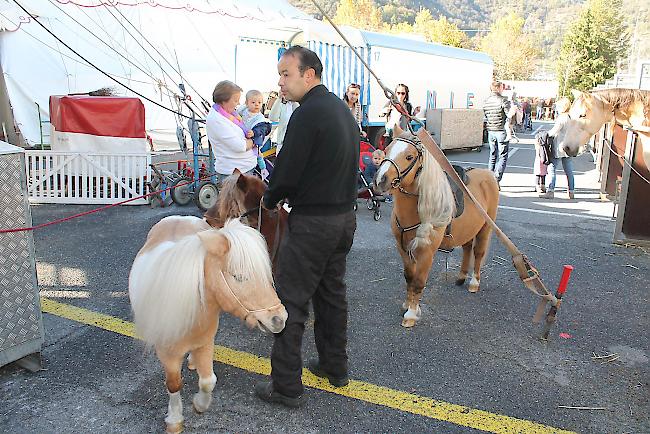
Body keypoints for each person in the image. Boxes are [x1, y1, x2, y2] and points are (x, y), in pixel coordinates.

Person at [255, 46, 359, 407]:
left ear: (308, 74)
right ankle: (335, 366)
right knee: (332, 295)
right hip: (343, 220)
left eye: (286, 74)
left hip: (313, 222)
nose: (280, 82)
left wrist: (269, 200)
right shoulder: (341, 111)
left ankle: (285, 387)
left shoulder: (306, 114)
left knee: (291, 302)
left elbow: (286, 172)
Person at [206, 80, 256, 185]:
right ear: (224, 100)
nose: (238, 103)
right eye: (235, 100)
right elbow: (240, 146)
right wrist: (254, 140)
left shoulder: (229, 115)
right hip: (234, 173)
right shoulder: (216, 120)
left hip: (243, 169)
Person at [540, 98, 575, 199]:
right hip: (568, 146)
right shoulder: (571, 117)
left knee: (552, 168)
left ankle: (551, 191)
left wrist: (545, 134)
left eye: (559, 106)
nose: (557, 108)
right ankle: (571, 191)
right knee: (569, 171)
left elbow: (553, 132)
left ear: (563, 107)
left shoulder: (562, 118)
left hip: (559, 146)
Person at [237, 89, 271, 179]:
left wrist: (254, 132)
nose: (256, 104)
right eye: (253, 102)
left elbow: (262, 128)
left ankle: (263, 169)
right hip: (243, 135)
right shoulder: (244, 111)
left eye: (259, 102)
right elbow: (236, 114)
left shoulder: (259, 117)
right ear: (246, 103)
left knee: (258, 153)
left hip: (253, 138)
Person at [483, 80, 511, 185]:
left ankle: (490, 177)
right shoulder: (503, 100)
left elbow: (486, 115)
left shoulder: (486, 101)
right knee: (503, 155)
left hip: (491, 130)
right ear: (499, 88)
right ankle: (496, 179)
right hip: (501, 130)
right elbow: (509, 115)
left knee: (492, 154)